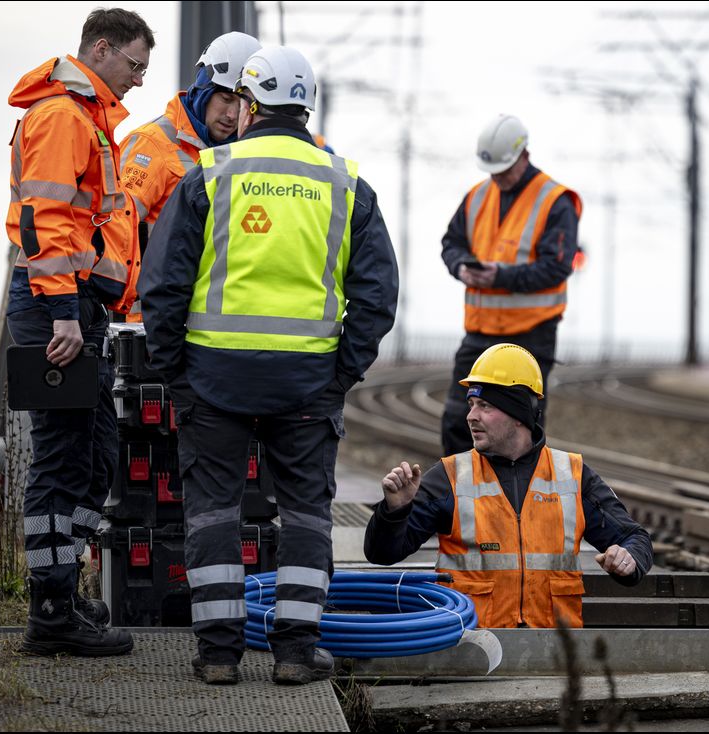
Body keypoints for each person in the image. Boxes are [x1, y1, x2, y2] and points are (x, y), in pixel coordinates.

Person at [139, 45, 398, 685]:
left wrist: (177, 371)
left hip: (215, 379)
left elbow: (162, 285)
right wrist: (342, 372)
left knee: (212, 515)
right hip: (308, 384)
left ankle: (220, 655)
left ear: (250, 105)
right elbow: (377, 295)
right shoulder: (344, 184)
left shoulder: (209, 174)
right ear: (306, 108)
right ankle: (294, 653)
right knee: (307, 515)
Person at [5, 7, 155, 657]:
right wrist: (64, 310)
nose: (140, 81)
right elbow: (44, 220)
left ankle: (66, 591)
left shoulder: (88, 121)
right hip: (53, 308)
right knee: (63, 459)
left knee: (95, 455)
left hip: (78, 309)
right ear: (101, 48)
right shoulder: (64, 118)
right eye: (135, 64)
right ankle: (51, 610)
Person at [365, 343, 653, 628]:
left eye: (485, 406)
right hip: (471, 650)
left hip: (555, 655)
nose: (471, 416)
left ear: (518, 414)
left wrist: (628, 561)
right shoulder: (450, 476)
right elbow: (382, 553)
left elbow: (635, 539)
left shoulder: (572, 475)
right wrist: (395, 511)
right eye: (471, 404)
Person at [438, 114, 582, 455]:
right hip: (481, 333)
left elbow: (556, 266)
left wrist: (499, 277)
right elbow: (451, 243)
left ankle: (519, 500)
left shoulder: (554, 201)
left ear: (524, 156)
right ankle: (459, 499)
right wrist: (461, 267)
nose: (498, 178)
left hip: (531, 333)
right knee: (460, 419)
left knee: (521, 428)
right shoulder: (476, 197)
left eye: (505, 169)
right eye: (493, 171)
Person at [118, 32, 261, 281]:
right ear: (203, 91)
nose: (231, 114)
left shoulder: (243, 156)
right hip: (145, 311)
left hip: (203, 310)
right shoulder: (152, 144)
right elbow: (117, 229)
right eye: (225, 99)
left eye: (241, 105)